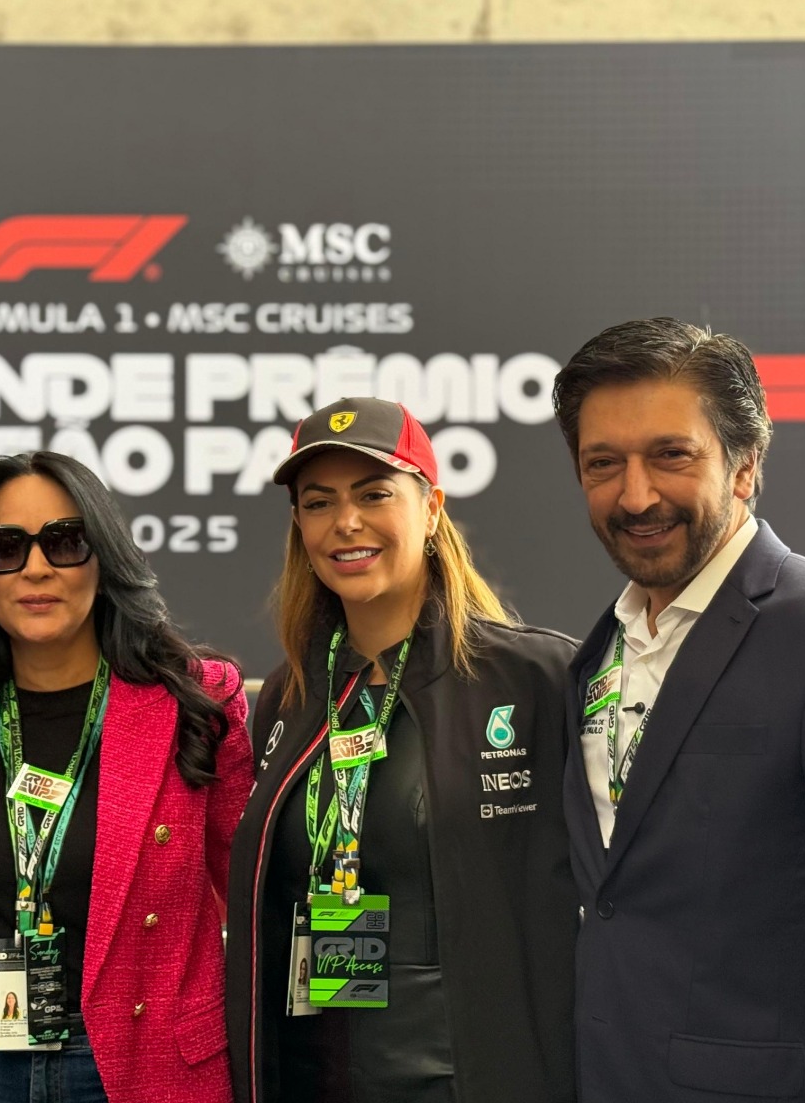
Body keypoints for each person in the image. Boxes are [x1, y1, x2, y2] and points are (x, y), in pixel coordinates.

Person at [552, 318, 805, 1102]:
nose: (635, 496)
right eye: (604, 463)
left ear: (745, 466)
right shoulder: (600, 647)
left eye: (671, 455)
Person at [226, 397, 579, 1103]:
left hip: (474, 1080)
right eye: (318, 502)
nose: (345, 522)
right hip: (314, 1076)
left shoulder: (538, 677)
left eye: (374, 494)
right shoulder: (291, 695)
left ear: (433, 508)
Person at [0, 451, 253, 1103]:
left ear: (103, 564)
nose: (36, 568)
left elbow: (253, 893)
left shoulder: (197, 703)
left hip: (146, 1064)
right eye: (6, 548)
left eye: (65, 542)